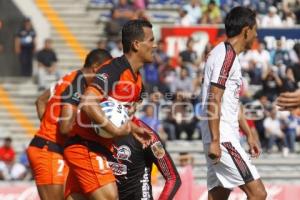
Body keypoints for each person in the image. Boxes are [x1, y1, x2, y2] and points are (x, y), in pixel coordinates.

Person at [63, 19, 155, 200]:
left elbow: (116, 113)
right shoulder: (115, 69)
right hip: (86, 146)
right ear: (136, 44)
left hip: (97, 147)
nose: (155, 45)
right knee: (110, 197)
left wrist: (133, 128)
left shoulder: (137, 81)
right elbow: (88, 103)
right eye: (151, 40)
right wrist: (115, 130)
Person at [199, 7, 267, 200]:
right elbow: (214, 98)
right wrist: (215, 140)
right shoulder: (225, 56)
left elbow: (232, 101)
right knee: (258, 194)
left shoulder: (225, 55)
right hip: (222, 137)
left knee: (218, 196)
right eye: (255, 30)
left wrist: (249, 133)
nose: (256, 35)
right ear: (246, 30)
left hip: (222, 135)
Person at [27, 49, 112, 200]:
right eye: (105, 71)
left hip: (56, 148)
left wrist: (48, 125)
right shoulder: (77, 85)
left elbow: (40, 100)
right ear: (96, 67)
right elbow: (65, 128)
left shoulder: (71, 77)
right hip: (50, 151)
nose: (107, 77)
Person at [109, 117, 181, 199]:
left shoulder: (148, 135)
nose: (130, 108)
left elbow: (172, 177)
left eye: (130, 105)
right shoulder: (96, 132)